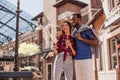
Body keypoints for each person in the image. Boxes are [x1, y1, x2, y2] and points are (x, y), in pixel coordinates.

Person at [71, 13, 99, 80]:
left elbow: (96, 42)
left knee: (89, 78)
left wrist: (82, 39)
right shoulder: (73, 33)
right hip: (77, 60)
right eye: (71, 20)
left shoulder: (86, 30)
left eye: (74, 19)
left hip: (86, 59)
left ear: (79, 19)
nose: (72, 21)